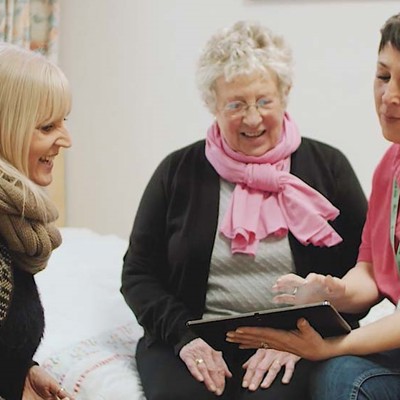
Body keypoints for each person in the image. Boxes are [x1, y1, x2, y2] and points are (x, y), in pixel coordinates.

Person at [121, 21, 367, 400]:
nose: (252, 119)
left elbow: (365, 271)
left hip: (299, 339)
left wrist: (305, 339)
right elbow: (138, 274)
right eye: (235, 104)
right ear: (213, 106)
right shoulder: (177, 172)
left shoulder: (328, 167)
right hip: (192, 338)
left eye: (264, 101)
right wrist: (185, 339)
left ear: (284, 96)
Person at [225, 13, 400, 400]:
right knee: (333, 373)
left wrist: (330, 345)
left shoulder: (327, 163)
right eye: (384, 76)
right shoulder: (390, 165)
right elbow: (370, 272)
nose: (389, 97)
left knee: (338, 372)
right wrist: (328, 291)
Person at [0, 43, 74, 400]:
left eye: (64, 121)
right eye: (47, 126)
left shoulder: (10, 220)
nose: (66, 140)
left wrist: (20, 373)